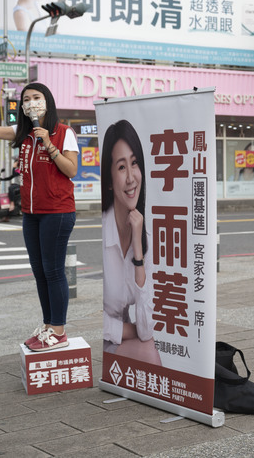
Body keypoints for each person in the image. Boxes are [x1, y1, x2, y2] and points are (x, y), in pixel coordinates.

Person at [0, 83, 79, 352]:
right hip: (31, 214)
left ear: (47, 100)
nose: (31, 102)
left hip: (57, 212)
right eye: (26, 99)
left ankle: (59, 331)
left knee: (54, 270)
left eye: (36, 97)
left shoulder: (63, 132)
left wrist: (48, 142)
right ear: (22, 106)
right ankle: (48, 326)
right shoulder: (22, 133)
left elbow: (71, 170)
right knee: (40, 272)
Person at [100, 120, 161, 365]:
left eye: (134, 163)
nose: (130, 178)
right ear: (109, 179)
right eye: (121, 167)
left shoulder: (145, 235)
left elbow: (147, 329)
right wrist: (127, 330)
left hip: (125, 337)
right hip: (104, 338)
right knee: (148, 351)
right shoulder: (102, 232)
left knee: (149, 348)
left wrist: (138, 250)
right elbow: (97, 318)